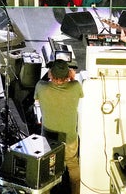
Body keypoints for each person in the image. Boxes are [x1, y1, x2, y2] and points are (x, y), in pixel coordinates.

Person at [34, 59, 82, 194]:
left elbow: (36, 100)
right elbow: (77, 90)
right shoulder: (76, 86)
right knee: (72, 164)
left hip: (49, 140)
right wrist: (71, 77)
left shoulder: (41, 87)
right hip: (69, 138)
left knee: (47, 169)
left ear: (51, 74)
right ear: (68, 74)